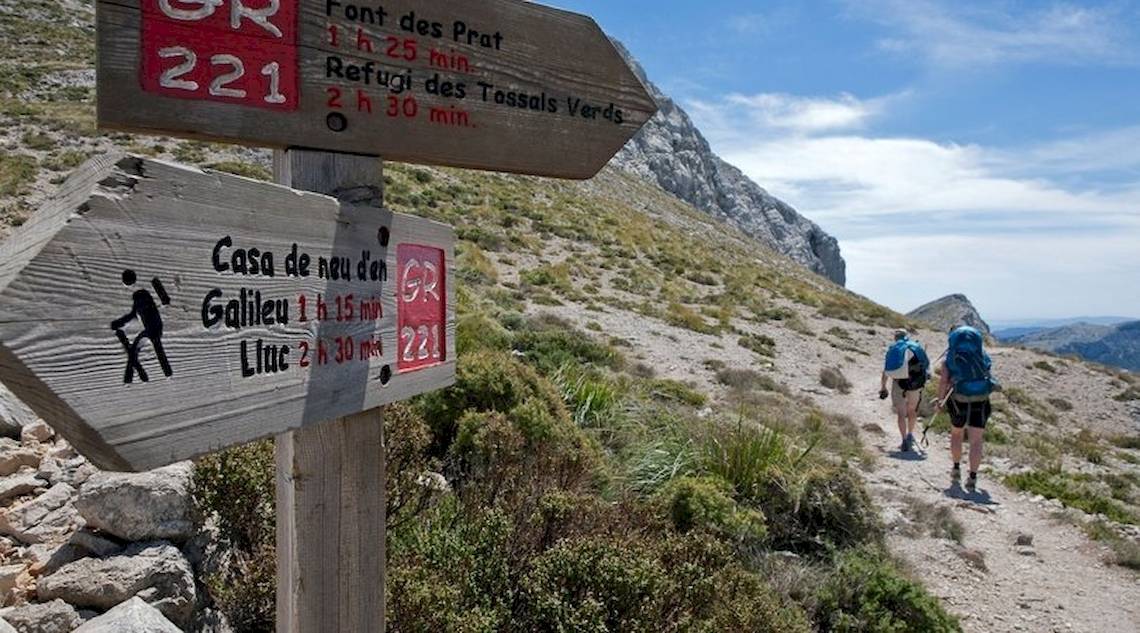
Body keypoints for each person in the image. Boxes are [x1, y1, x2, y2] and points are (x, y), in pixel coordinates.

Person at [936, 325, 998, 492]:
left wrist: (940, 401)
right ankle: (972, 477)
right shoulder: (982, 356)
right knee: (976, 441)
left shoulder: (949, 358)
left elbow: (943, 382)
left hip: (958, 400)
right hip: (981, 400)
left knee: (956, 433)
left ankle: (956, 468)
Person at [880, 329, 929, 452]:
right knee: (912, 410)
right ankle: (910, 435)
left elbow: (886, 369)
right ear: (906, 336)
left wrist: (883, 386)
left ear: (895, 337)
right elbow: (926, 365)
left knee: (901, 413)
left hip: (898, 383)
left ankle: (903, 440)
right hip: (915, 384)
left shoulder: (893, 348)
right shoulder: (915, 346)